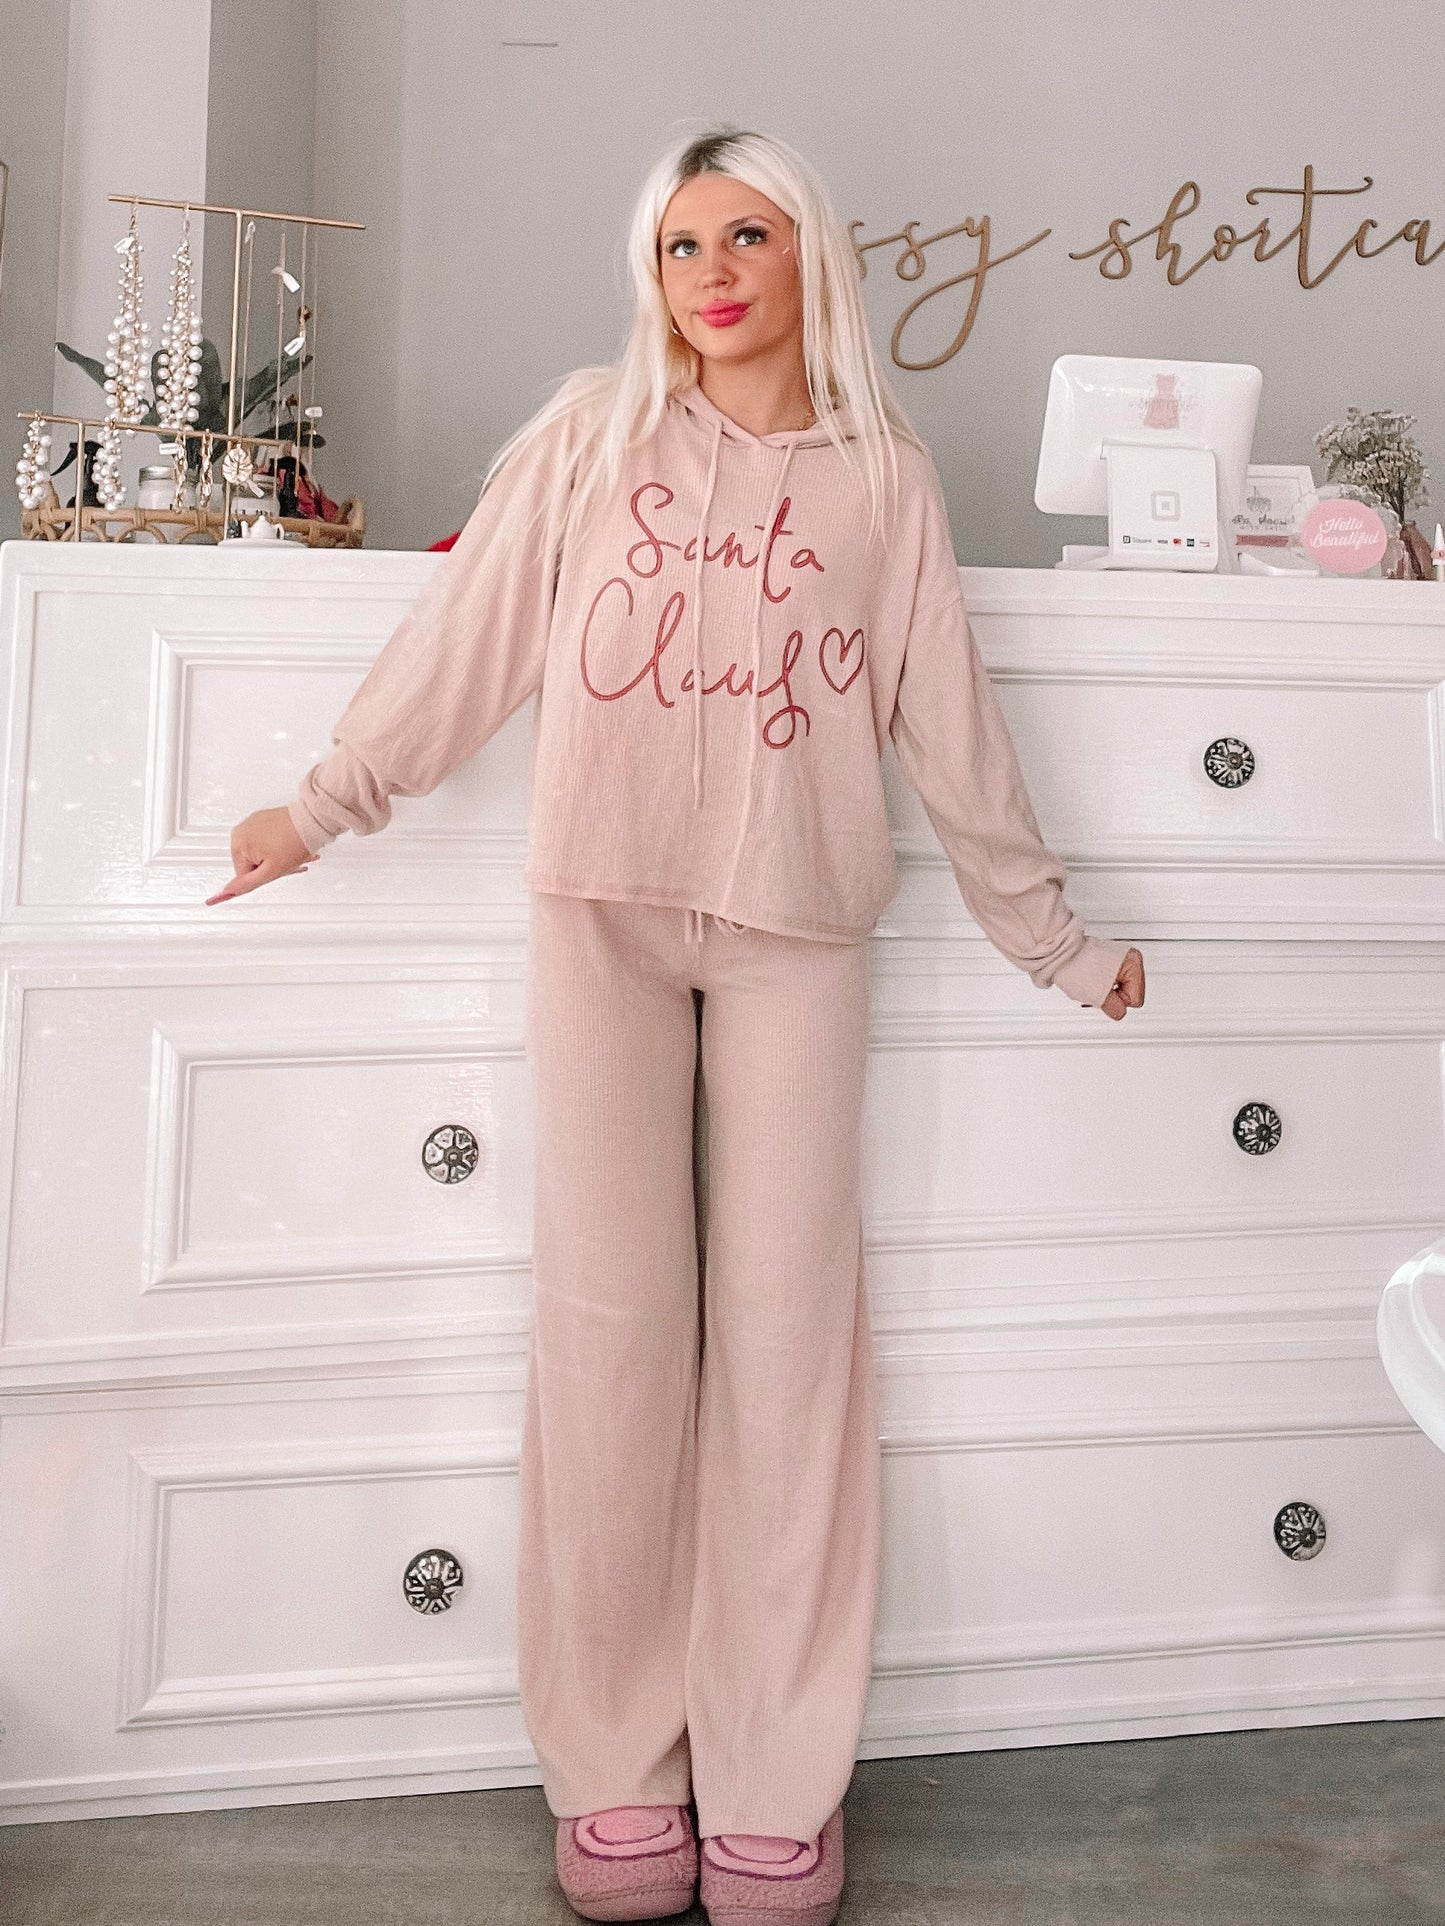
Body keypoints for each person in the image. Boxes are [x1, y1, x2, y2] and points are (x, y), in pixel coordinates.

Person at [207, 124, 1145, 1926]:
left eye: (745, 235)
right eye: (675, 246)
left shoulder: (888, 479)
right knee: (613, 1335)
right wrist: (321, 802)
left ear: (812, 259)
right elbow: (467, 637)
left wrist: (1051, 937)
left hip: (800, 929)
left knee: (790, 1354)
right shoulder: (591, 438)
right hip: (605, 920)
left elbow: (949, 729)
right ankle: (617, 1764)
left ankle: (777, 1776)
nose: (708, 273)